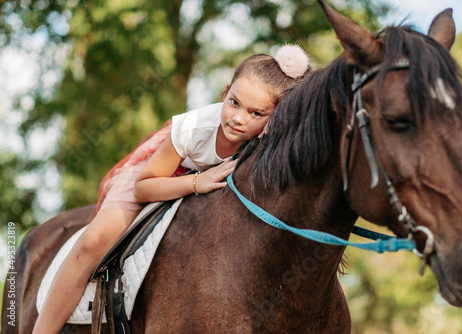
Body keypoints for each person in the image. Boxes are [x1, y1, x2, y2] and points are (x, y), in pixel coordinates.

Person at [33, 44, 311, 333]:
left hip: (202, 181)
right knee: (94, 240)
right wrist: (196, 182)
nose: (239, 118)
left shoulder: (268, 143)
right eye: (234, 102)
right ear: (226, 91)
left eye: (256, 113)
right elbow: (144, 186)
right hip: (158, 175)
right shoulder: (194, 128)